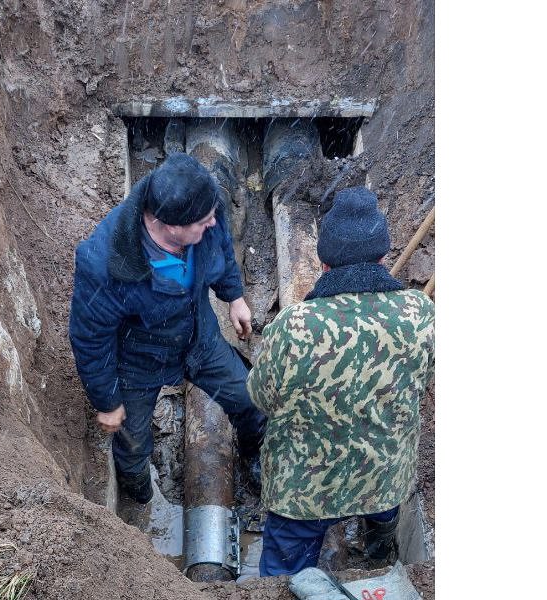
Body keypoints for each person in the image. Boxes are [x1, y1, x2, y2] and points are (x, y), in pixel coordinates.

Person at [247, 187, 435, 575]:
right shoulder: (421, 313)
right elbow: (426, 379)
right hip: (383, 479)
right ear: (383, 257)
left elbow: (260, 397)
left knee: (282, 575)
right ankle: (379, 553)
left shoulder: (294, 324)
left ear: (325, 263)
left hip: (302, 494)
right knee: (384, 514)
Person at [69, 152, 267, 504]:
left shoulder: (205, 210)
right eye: (204, 221)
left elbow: (219, 244)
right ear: (172, 225)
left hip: (197, 338)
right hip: (138, 359)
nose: (212, 223)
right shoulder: (104, 262)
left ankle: (254, 456)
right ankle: (138, 500)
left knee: (249, 401)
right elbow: (90, 338)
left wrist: (234, 296)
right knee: (132, 447)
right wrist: (107, 401)